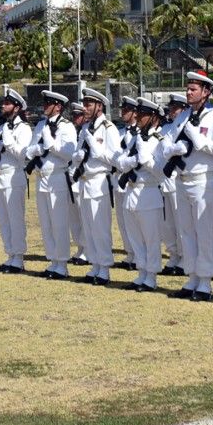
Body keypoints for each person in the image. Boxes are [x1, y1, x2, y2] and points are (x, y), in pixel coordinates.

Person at [162, 71, 213, 302]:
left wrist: (202, 143)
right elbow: (167, 141)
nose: (189, 92)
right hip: (182, 180)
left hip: (204, 180)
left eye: (194, 89)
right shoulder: (182, 118)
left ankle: (205, 282)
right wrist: (171, 150)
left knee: (205, 232)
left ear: (206, 91)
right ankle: (191, 276)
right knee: (186, 233)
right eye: (188, 88)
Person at [114, 97, 166, 291]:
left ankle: (151, 276)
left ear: (153, 117)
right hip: (131, 190)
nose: (139, 117)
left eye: (143, 114)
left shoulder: (159, 140)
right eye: (139, 114)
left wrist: (147, 161)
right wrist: (136, 159)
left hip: (149, 192)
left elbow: (161, 172)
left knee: (150, 238)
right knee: (135, 236)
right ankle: (141, 272)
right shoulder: (137, 138)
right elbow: (120, 162)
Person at [24, 90, 77, 278]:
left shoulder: (67, 127)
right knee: (46, 223)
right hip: (41, 177)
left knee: (59, 223)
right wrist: (38, 148)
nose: (45, 106)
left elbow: (69, 152)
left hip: (57, 178)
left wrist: (51, 144)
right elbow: (29, 149)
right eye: (44, 103)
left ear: (58, 106)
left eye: (49, 104)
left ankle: (62, 263)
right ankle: (53, 261)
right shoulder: (40, 125)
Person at [71, 88, 121, 285]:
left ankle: (104, 268)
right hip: (84, 181)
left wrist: (97, 149)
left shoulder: (109, 129)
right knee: (89, 227)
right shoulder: (85, 129)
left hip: (100, 181)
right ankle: (94, 265)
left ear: (99, 106)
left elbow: (115, 158)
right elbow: (78, 154)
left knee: (100, 227)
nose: (85, 108)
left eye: (89, 104)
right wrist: (77, 157)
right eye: (84, 104)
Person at [0, 89, 32, 273]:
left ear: (17, 107)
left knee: (15, 219)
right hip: (0, 176)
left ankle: (19, 258)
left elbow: (22, 154)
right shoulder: (3, 127)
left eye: (7, 103)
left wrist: (8, 140)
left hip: (15, 175)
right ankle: (10, 255)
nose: (3, 106)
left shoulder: (24, 129)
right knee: (4, 220)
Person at [160, 94, 188, 276]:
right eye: (170, 109)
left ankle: (185, 258)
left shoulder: (186, 128)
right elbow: (163, 151)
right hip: (165, 180)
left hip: (179, 179)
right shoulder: (167, 129)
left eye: (175, 108)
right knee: (168, 224)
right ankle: (173, 256)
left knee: (181, 223)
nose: (171, 112)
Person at [114, 96, 138, 271]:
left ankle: (138, 255)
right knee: (123, 221)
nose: (123, 113)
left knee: (137, 222)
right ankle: (130, 253)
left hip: (135, 180)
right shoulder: (120, 132)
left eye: (126, 110)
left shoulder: (140, 133)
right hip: (119, 179)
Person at [67, 103, 88, 266]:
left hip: (83, 180)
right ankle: (80, 248)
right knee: (75, 220)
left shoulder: (87, 132)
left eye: (78, 115)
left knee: (84, 218)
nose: (75, 119)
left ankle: (87, 250)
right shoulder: (77, 133)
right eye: (74, 116)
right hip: (73, 181)